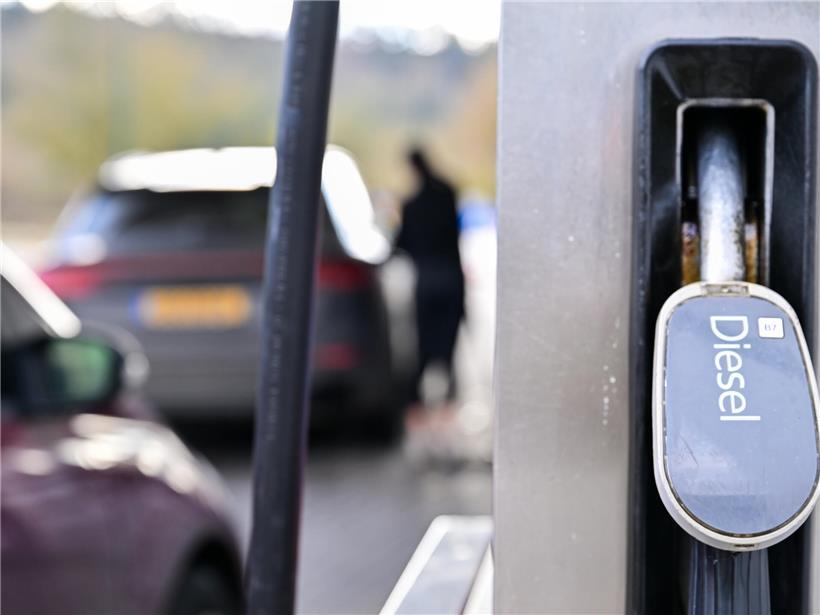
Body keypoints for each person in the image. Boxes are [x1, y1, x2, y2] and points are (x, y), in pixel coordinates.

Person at [395, 148, 465, 406]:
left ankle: (421, 389)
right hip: (447, 273)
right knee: (448, 333)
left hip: (428, 275)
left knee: (425, 334)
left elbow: (401, 243)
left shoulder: (413, 205)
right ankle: (446, 386)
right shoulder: (446, 194)